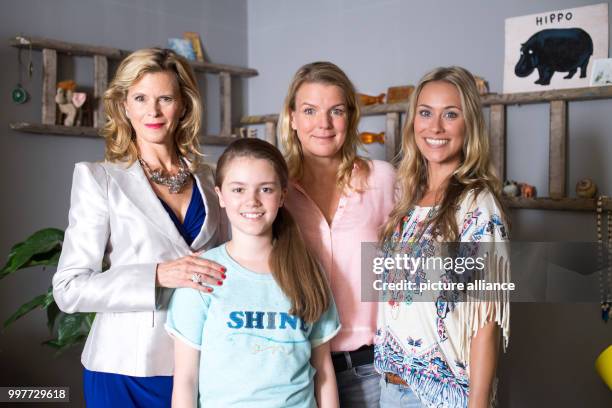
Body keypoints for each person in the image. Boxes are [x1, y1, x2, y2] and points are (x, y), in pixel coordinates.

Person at [52, 48, 227, 408]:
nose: (153, 111)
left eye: (165, 98)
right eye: (141, 98)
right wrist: (158, 275)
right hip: (124, 368)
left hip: (201, 362)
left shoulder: (212, 182)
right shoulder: (99, 178)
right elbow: (69, 289)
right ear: (124, 105)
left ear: (183, 106)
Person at [166, 138, 341, 407]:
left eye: (266, 189)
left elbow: (324, 372)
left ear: (282, 195)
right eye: (238, 189)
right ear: (220, 196)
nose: (252, 201)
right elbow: (186, 379)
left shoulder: (306, 270)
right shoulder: (203, 275)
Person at [374, 66, 510, 408]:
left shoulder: (478, 203)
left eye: (450, 114)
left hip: (444, 395)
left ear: (469, 125)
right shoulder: (406, 198)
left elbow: (487, 322)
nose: (435, 127)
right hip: (391, 385)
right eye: (425, 113)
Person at [279, 61, 397, 407]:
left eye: (336, 111)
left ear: (351, 117)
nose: (323, 124)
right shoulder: (272, 186)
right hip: (295, 371)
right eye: (310, 110)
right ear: (292, 117)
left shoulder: (384, 179)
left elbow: (418, 269)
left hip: (373, 370)